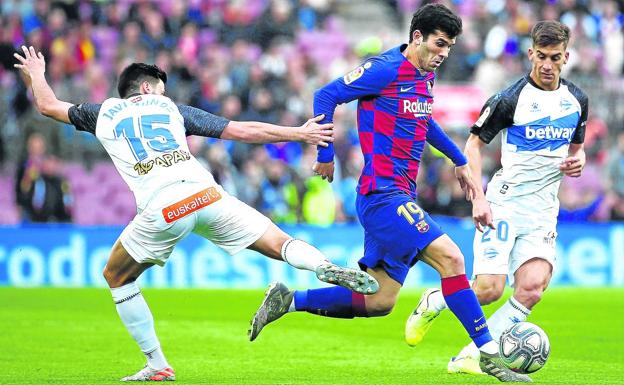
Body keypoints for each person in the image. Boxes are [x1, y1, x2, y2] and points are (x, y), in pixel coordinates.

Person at [14, 46, 380, 382]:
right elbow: (241, 130)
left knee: (116, 276)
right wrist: (298, 134)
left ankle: (157, 365)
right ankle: (322, 265)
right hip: (206, 194)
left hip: (163, 206)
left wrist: (36, 73)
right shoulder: (172, 110)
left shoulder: (102, 113)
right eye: (159, 88)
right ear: (144, 88)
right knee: (279, 242)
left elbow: (47, 105)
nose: (164, 95)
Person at [247, 4, 530, 383]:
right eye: (439, 44)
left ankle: (290, 300)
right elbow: (326, 95)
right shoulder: (384, 69)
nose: (444, 54)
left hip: (400, 196)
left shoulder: (424, 77)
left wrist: (460, 160)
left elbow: (424, 122)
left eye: (449, 47)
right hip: (383, 195)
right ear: (417, 37)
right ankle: (488, 353)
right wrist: (326, 153)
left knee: (379, 301)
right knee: (451, 259)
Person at [404, 20, 587, 377]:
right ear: (531, 54)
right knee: (488, 290)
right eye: (542, 57)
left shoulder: (577, 100)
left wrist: (576, 161)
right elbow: (473, 143)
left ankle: (470, 356)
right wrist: (478, 199)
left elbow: (577, 149)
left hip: (543, 211)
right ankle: (435, 300)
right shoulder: (510, 99)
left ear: (566, 57)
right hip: (504, 203)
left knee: (532, 289)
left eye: (555, 58)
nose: (547, 65)